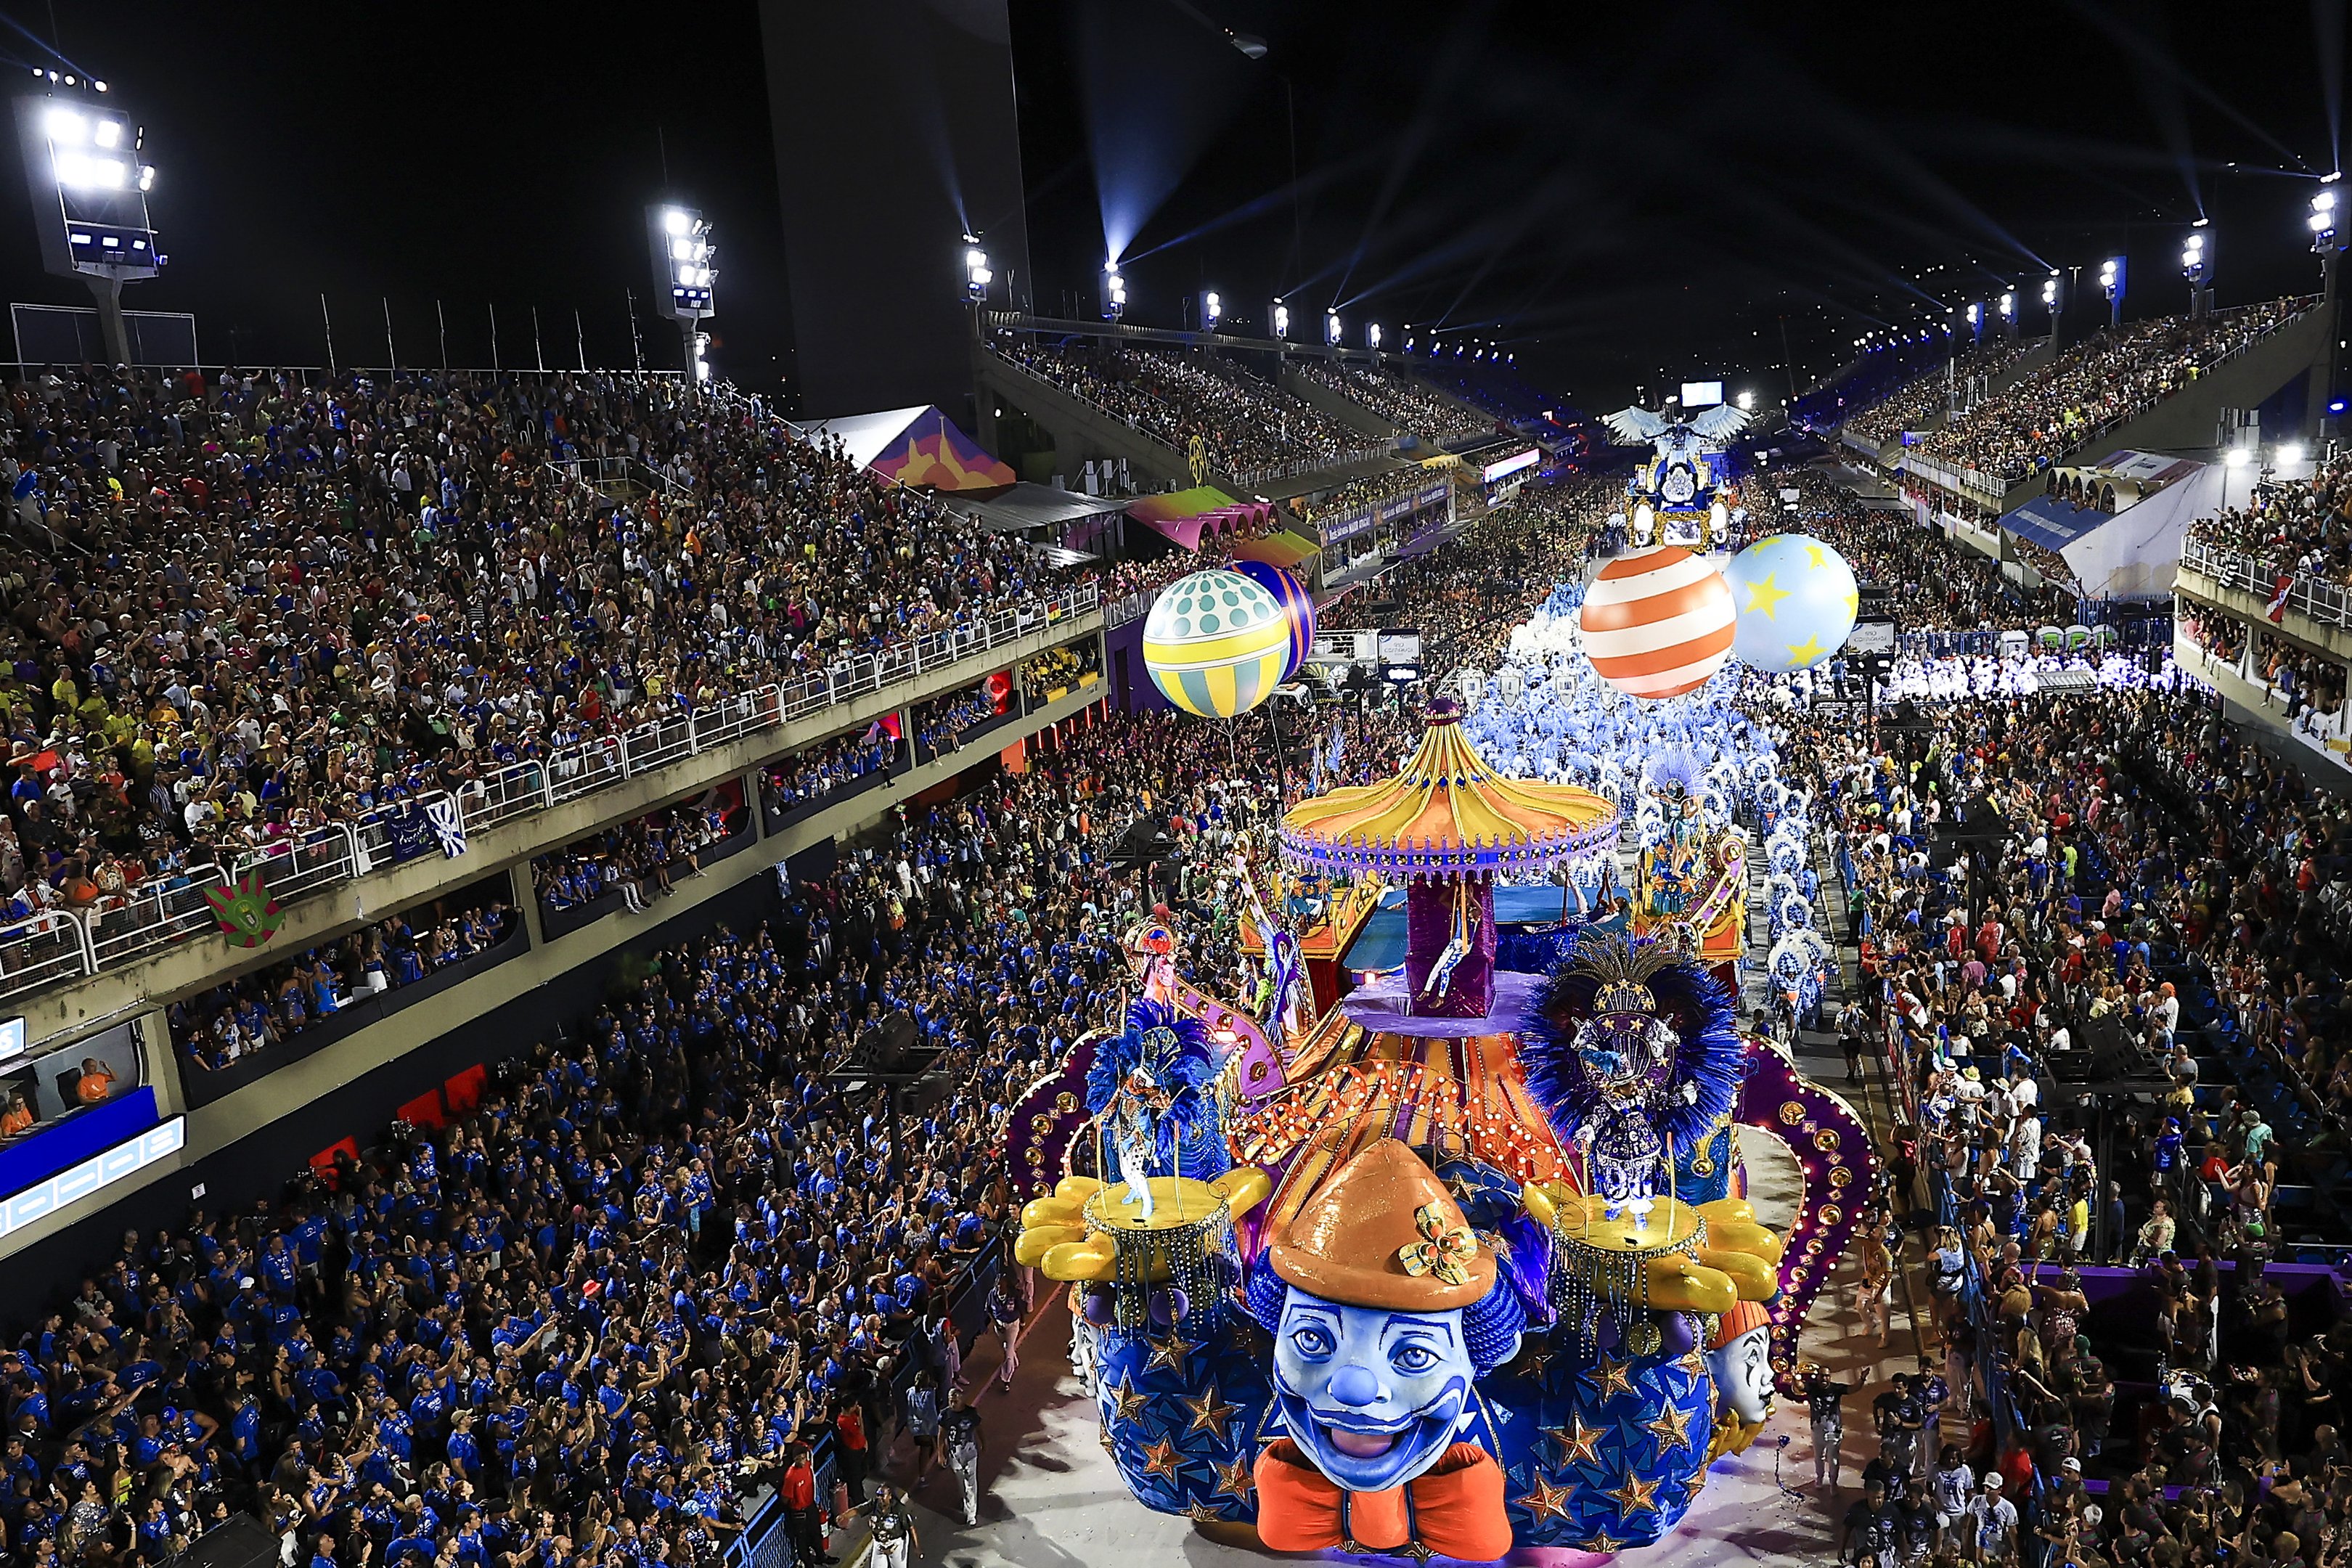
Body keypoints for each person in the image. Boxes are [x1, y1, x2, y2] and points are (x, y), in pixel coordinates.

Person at [780, 1442, 831, 1568]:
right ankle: (809, 1564)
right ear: (794, 1460)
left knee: (816, 1533)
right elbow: (785, 1498)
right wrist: (796, 1504)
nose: (803, 1461)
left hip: (811, 1506)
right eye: (799, 1459)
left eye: (804, 1457)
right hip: (799, 1512)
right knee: (802, 1540)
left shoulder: (808, 1465)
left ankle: (821, 1557)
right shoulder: (791, 1476)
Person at [940, 1384, 984, 1527]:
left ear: (962, 1400)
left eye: (955, 1401)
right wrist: (941, 1454)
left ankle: (972, 1514)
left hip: (970, 1451)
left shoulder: (971, 1413)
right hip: (954, 1454)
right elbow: (941, 1435)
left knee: (971, 1482)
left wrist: (984, 1443)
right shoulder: (945, 1415)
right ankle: (966, 1502)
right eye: (950, 1401)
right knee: (961, 1482)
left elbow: (979, 1428)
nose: (952, 1404)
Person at [1808, 1365, 1852, 1490]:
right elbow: (1800, 1387)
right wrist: (1795, 1378)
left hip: (1834, 1430)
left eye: (1827, 1376)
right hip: (1817, 1429)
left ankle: (1833, 1483)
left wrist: (1862, 1379)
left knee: (1833, 1460)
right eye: (1822, 1375)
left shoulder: (1836, 1389)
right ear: (1818, 1377)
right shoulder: (1812, 1387)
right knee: (1818, 1457)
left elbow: (1852, 1389)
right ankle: (1820, 1478)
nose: (1824, 1378)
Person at [902, 1368, 942, 1488]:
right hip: (927, 1426)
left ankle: (937, 1458)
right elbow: (931, 1410)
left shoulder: (910, 1391)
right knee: (926, 1451)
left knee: (927, 1447)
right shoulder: (930, 1394)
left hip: (915, 1425)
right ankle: (922, 1477)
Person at [866, 1482, 918, 1568]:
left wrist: (917, 1547)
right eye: (878, 1495)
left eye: (882, 1496)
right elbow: (858, 1510)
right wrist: (844, 1515)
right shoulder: (875, 1505)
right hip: (880, 1544)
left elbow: (911, 1528)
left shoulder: (899, 1510)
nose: (879, 1498)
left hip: (896, 1545)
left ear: (890, 1496)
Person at [832, 1392, 869, 1507]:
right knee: (855, 1478)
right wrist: (861, 1416)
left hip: (859, 1448)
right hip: (852, 1452)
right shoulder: (844, 1421)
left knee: (862, 1472)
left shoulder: (851, 1415)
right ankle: (859, 1502)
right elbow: (860, 1432)